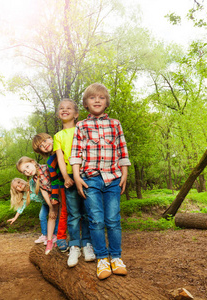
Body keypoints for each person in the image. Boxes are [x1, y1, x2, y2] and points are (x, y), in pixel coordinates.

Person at [69, 83, 131, 280]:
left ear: (106, 102)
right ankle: (102, 258)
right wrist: (77, 177)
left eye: (101, 97)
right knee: (95, 220)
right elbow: (76, 154)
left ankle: (116, 257)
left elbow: (123, 150)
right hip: (90, 180)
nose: (97, 100)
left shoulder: (115, 124)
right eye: (93, 97)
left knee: (113, 220)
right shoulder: (81, 126)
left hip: (113, 178)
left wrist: (125, 174)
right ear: (86, 103)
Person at [53, 99, 95, 267]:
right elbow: (60, 159)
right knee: (73, 213)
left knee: (87, 212)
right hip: (69, 176)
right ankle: (74, 245)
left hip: (86, 174)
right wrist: (66, 177)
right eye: (61, 108)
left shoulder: (82, 129)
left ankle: (87, 244)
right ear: (58, 114)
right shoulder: (58, 136)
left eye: (69, 108)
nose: (64, 110)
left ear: (76, 114)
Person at [32, 133, 69, 253]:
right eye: (41, 146)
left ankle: (83, 242)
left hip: (76, 180)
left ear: (50, 138)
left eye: (45, 141)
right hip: (62, 188)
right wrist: (53, 196)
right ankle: (52, 240)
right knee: (61, 213)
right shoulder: (50, 161)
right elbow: (54, 180)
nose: (44, 145)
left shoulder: (64, 147)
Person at [16, 156, 59, 255]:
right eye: (24, 172)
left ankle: (59, 238)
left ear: (32, 162)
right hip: (50, 198)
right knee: (51, 216)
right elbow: (44, 191)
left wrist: (56, 199)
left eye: (27, 167)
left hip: (59, 194)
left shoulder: (45, 168)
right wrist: (51, 206)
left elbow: (56, 182)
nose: (27, 171)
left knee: (62, 216)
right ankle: (49, 241)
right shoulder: (35, 178)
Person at [7, 178, 58, 245]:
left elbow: (40, 180)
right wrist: (15, 218)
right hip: (45, 204)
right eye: (17, 186)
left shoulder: (32, 182)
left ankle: (55, 235)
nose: (19, 185)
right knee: (41, 216)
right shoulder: (25, 195)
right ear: (17, 190)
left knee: (55, 216)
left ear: (22, 180)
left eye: (19, 182)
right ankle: (45, 235)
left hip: (52, 200)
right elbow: (21, 207)